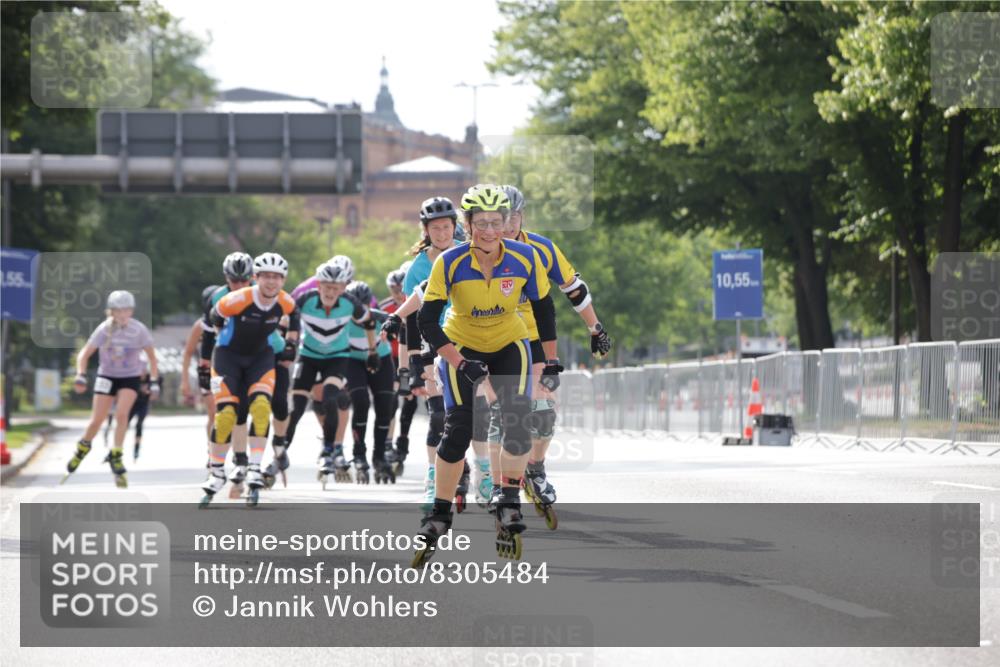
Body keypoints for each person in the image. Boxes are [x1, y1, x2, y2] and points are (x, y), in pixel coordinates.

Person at [412, 184, 559, 567]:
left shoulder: (525, 257)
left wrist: (551, 359)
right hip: (462, 346)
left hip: (510, 343)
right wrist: (459, 362)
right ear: (468, 225)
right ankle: (439, 513)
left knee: (517, 418)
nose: (490, 231)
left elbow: (545, 309)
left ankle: (508, 500)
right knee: (459, 427)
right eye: (481, 224)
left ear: (508, 222)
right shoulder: (451, 262)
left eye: (497, 222)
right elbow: (427, 320)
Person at [486, 184, 614, 528]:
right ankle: (501, 491)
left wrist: (596, 329)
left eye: (513, 216)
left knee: (543, 415)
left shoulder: (541, 248)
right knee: (505, 417)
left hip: (536, 341)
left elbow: (575, 289)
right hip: (494, 342)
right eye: (500, 218)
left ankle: (535, 469)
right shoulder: (478, 251)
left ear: (521, 216)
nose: (508, 224)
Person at [199, 252, 296, 507]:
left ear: (283, 280)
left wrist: (291, 343)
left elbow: (294, 315)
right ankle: (217, 472)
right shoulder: (237, 299)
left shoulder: (285, 301)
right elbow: (214, 317)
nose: (271, 282)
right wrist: (218, 341)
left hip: (260, 358)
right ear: (256, 278)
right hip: (228, 358)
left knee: (263, 406)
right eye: (266, 277)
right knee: (227, 414)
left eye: (277, 278)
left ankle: (254, 467)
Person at [284, 258, 373, 488]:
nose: (333, 291)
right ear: (318, 284)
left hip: (338, 356)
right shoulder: (303, 293)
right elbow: (285, 317)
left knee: (338, 399)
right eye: (328, 286)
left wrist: (372, 350)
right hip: (310, 353)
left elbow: (370, 318)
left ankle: (335, 447)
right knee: (310, 403)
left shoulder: (351, 298)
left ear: (346, 284)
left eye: (340, 286)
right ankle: (300, 447)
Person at [63, 290, 160, 488]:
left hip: (130, 377)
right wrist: (80, 374)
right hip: (107, 376)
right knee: (96, 420)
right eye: (119, 311)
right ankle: (82, 448)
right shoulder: (103, 330)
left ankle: (116, 453)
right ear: (112, 312)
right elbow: (84, 354)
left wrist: (154, 380)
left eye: (127, 310)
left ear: (131, 311)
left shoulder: (139, 330)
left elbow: (152, 357)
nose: (123, 315)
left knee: (122, 415)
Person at [400, 197, 461, 510]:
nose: (441, 233)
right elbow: (410, 315)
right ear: (426, 230)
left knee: (470, 417)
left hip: (467, 339)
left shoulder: (467, 254)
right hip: (431, 342)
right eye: (435, 228)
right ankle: (432, 478)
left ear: (454, 227)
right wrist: (411, 360)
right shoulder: (417, 268)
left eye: (446, 227)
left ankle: (481, 474)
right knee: (439, 415)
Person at [344, 280, 397, 484]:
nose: (360, 310)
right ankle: (359, 453)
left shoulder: (379, 318)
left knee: (386, 406)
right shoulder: (342, 319)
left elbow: (404, 329)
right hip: (352, 361)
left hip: (381, 360)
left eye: (365, 305)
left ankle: (379, 455)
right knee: (361, 401)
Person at [103, 361, 152, 461]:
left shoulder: (150, 379)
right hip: (131, 406)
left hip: (143, 405)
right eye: (140, 370)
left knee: (139, 425)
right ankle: (116, 447)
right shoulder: (133, 378)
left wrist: (149, 392)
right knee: (123, 425)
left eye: (144, 370)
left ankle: (136, 449)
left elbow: (154, 393)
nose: (142, 372)